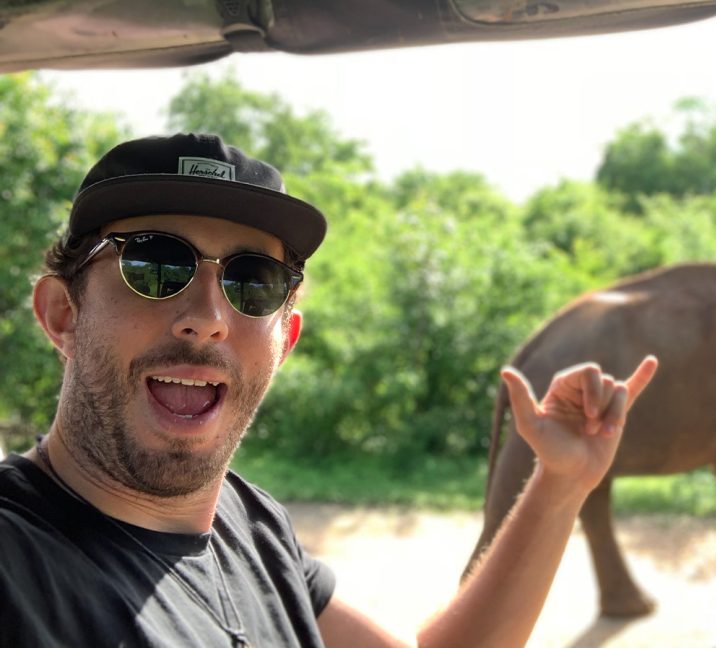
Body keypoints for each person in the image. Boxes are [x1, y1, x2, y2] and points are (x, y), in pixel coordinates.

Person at [0, 132, 659, 647]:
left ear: (285, 341)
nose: (208, 317)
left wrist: (560, 483)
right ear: (62, 313)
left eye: (252, 280)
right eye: (155, 264)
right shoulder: (17, 568)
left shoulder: (250, 526)